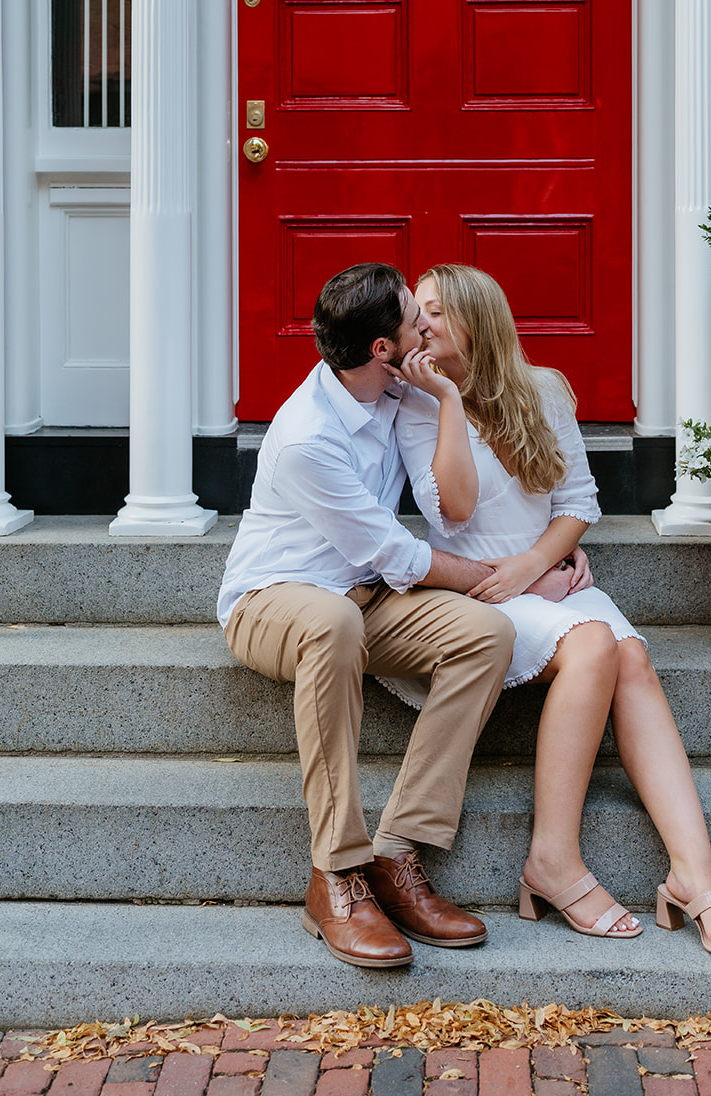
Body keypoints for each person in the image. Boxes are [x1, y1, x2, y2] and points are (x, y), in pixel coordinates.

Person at [382, 263, 711, 964]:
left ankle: (695, 880)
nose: (418, 324)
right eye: (415, 312)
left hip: (538, 577)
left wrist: (537, 565)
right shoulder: (413, 402)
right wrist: (446, 402)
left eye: (432, 310)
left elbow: (577, 501)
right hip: (477, 591)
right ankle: (553, 860)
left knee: (631, 657)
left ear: (475, 319)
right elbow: (451, 511)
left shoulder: (544, 389)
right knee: (594, 645)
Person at [218, 262, 545, 970]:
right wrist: (508, 576)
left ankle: (396, 852)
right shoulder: (309, 434)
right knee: (330, 622)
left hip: (363, 599)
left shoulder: (399, 391)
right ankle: (335, 872)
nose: (423, 324)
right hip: (273, 601)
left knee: (487, 633)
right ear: (380, 349)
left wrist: (549, 552)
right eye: (411, 318)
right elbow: (397, 554)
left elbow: (477, 484)